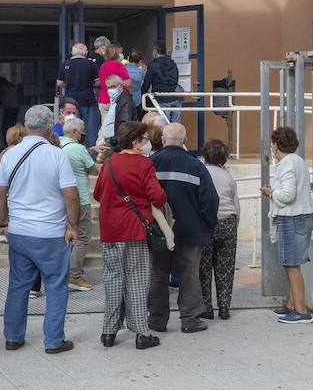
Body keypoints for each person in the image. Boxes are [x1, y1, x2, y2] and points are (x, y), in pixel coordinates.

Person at [0, 104, 81, 354]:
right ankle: (53, 340)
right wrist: (73, 226)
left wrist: (3, 223)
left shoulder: (9, 154)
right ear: (48, 126)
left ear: (25, 125)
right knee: (55, 285)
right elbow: (71, 196)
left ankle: (13, 337)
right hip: (51, 232)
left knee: (18, 285)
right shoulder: (57, 155)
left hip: (20, 231)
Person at [93, 121, 167, 349]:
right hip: (134, 229)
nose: (147, 143)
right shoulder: (144, 164)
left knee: (113, 279)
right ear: (135, 142)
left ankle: (108, 331)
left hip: (110, 230)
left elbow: (98, 194)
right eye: (144, 139)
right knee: (136, 280)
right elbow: (158, 197)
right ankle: (142, 332)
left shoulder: (109, 163)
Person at [147, 122, 218, 334]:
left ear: (162, 140)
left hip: (159, 231)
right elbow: (210, 199)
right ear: (185, 141)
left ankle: (157, 320)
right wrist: (207, 225)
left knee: (159, 274)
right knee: (189, 275)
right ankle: (190, 320)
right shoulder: (196, 165)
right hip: (190, 231)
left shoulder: (152, 163)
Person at [262, 126, 313, 325]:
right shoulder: (298, 161)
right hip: (302, 216)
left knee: (291, 265)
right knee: (293, 263)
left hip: (292, 218)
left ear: (276, 145)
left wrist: (270, 192)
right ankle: (292, 306)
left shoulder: (286, 164)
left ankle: (301, 311)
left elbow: (287, 195)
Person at [198, 139, 241, 320]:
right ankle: (224, 306)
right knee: (226, 267)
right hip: (228, 222)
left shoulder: (201, 173)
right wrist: (234, 224)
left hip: (206, 223)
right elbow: (236, 204)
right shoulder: (228, 177)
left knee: (204, 268)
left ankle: (206, 307)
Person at [57, 116, 96, 292]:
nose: (82, 135)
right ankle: (74, 275)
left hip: (61, 199)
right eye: (81, 132)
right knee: (82, 238)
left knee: (65, 238)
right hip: (80, 199)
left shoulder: (57, 146)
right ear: (74, 132)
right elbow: (95, 170)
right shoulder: (78, 149)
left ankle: (63, 273)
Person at [57, 43, 101, 146]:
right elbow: (98, 82)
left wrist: (68, 85)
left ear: (72, 52)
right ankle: (91, 156)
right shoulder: (91, 64)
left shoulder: (65, 64)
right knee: (91, 131)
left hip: (70, 102)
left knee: (71, 129)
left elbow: (59, 83)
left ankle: (71, 149)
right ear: (85, 53)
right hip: (88, 100)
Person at [141, 41, 181, 123]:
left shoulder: (153, 65)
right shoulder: (172, 63)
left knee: (164, 125)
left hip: (162, 99)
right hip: (175, 97)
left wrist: (143, 94)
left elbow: (147, 82)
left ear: (155, 51)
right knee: (176, 126)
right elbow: (176, 79)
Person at [98, 73, 138, 147]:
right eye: (108, 88)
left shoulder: (125, 101)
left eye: (113, 87)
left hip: (116, 142)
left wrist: (114, 141)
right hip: (112, 140)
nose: (110, 90)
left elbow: (125, 124)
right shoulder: (116, 100)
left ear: (121, 86)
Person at [98, 44, 130, 128]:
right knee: (117, 127)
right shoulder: (119, 65)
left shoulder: (103, 66)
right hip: (115, 99)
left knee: (105, 126)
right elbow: (128, 83)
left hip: (103, 99)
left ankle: (101, 141)